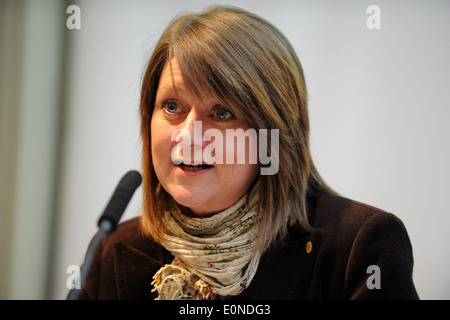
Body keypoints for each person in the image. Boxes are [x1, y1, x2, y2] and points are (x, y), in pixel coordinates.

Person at [68, 6, 418, 300]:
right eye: (172, 105)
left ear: (272, 135)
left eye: (221, 113)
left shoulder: (361, 247)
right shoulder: (112, 248)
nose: (188, 135)